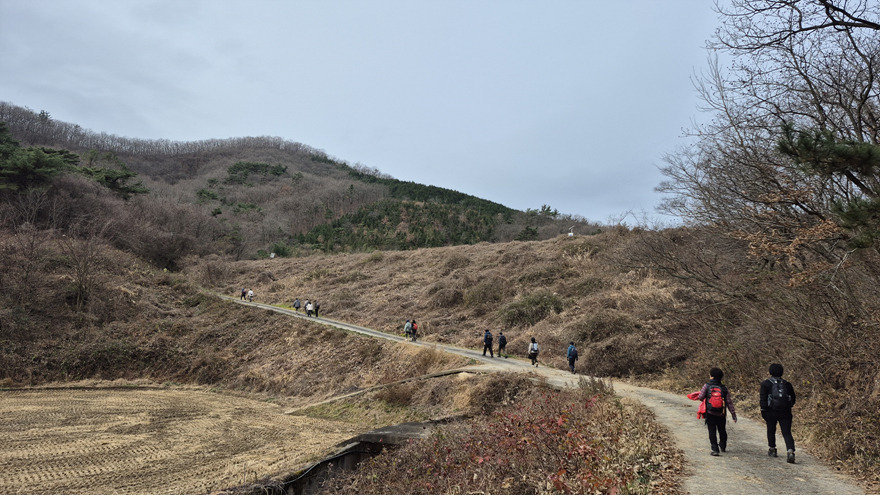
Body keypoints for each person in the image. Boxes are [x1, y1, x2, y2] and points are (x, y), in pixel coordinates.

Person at [696, 367, 737, 456]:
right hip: (721, 413)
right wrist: (733, 414)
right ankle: (722, 445)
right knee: (722, 430)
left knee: (712, 431)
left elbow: (700, 397)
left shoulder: (707, 386)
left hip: (710, 413)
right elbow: (729, 402)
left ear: (711, 376)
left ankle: (715, 449)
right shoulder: (724, 388)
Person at [760, 363, 797, 463]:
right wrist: (788, 406)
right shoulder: (787, 384)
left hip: (771, 412)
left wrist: (763, 410)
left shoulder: (766, 384)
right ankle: (790, 451)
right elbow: (793, 399)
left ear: (770, 372)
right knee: (787, 432)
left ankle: (772, 449)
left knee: (771, 430)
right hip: (786, 412)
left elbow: (763, 399)